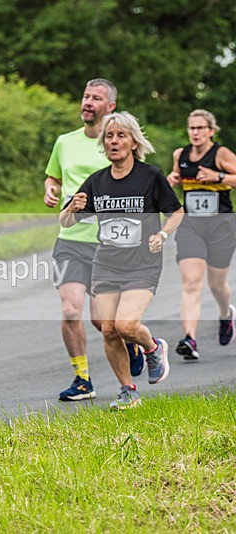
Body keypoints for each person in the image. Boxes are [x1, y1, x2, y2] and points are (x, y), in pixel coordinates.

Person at [60, 112, 184, 410]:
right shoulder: (97, 181)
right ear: (104, 143)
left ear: (133, 142)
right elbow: (66, 222)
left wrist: (163, 236)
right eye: (110, 137)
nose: (114, 141)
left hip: (142, 264)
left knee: (127, 325)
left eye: (121, 136)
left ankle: (153, 347)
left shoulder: (150, 176)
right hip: (106, 265)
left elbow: (176, 212)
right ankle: (128, 390)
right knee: (109, 328)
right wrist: (72, 209)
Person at [44, 78, 144, 402]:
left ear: (110, 107)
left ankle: (130, 342)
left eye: (96, 98)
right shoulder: (64, 141)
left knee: (104, 322)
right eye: (86, 96)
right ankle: (82, 379)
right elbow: (54, 175)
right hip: (71, 238)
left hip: (107, 243)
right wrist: (51, 188)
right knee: (70, 310)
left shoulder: (116, 143)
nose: (87, 102)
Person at [166, 109, 236, 359]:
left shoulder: (221, 154)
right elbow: (177, 177)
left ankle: (226, 314)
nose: (195, 132)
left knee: (216, 284)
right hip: (191, 225)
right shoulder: (180, 154)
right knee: (192, 283)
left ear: (211, 131)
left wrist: (218, 176)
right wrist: (172, 179)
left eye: (200, 128)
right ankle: (190, 339)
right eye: (191, 128)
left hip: (221, 225)